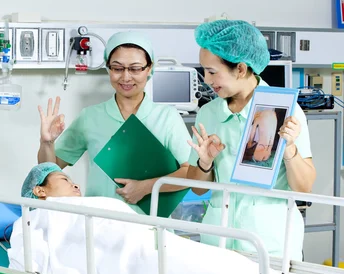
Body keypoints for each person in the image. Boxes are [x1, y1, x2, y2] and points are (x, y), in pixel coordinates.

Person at [187, 20, 316, 260]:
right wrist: (204, 163)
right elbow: (197, 187)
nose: (206, 79)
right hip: (219, 239)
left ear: (241, 69)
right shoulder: (208, 113)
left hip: (270, 243)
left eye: (213, 72)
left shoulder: (286, 110)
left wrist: (289, 150)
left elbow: (304, 188)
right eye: (204, 70)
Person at [36, 31, 192, 213]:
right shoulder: (90, 117)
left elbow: (190, 173)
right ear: (108, 68)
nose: (126, 77)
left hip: (150, 228)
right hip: (99, 224)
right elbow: (49, 170)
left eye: (135, 68)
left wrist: (146, 187)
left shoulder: (166, 117)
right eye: (117, 68)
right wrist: (47, 142)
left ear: (149, 69)